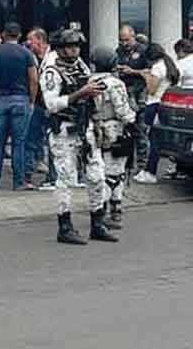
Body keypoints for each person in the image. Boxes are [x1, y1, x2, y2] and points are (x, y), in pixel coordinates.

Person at [40, 28, 118, 244]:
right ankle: (64, 227)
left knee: (97, 176)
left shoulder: (80, 65)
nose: (74, 50)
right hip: (64, 129)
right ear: (60, 48)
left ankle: (98, 223)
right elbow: (51, 104)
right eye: (70, 46)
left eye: (76, 46)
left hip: (86, 128)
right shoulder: (51, 72)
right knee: (65, 179)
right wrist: (80, 93)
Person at [0, 21, 39, 191]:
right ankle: (18, 181)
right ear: (20, 35)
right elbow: (34, 80)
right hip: (21, 99)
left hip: (0, 99)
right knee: (18, 143)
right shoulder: (26, 54)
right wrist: (32, 100)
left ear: (5, 34)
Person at [90, 46, 137, 230]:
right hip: (114, 130)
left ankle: (105, 210)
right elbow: (123, 111)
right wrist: (132, 121)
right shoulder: (114, 83)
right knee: (115, 172)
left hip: (93, 130)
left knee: (98, 172)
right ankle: (111, 211)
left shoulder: (88, 81)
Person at [128, 43, 180, 185]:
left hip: (153, 105)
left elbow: (151, 89)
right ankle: (151, 170)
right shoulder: (169, 65)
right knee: (157, 139)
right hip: (163, 104)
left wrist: (146, 76)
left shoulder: (157, 68)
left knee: (153, 140)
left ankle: (150, 172)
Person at [114, 24, 150, 172]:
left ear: (133, 36)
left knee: (140, 130)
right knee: (125, 130)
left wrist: (133, 71)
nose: (124, 44)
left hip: (138, 92)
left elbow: (151, 71)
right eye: (121, 40)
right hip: (123, 92)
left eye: (126, 40)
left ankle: (143, 165)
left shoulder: (143, 50)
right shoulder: (119, 51)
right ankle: (127, 163)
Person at [25, 27, 55, 189]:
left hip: (51, 106)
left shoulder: (54, 57)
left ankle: (53, 176)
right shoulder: (30, 57)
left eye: (31, 40)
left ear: (40, 41)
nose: (28, 43)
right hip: (36, 105)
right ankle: (28, 175)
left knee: (53, 143)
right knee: (31, 140)